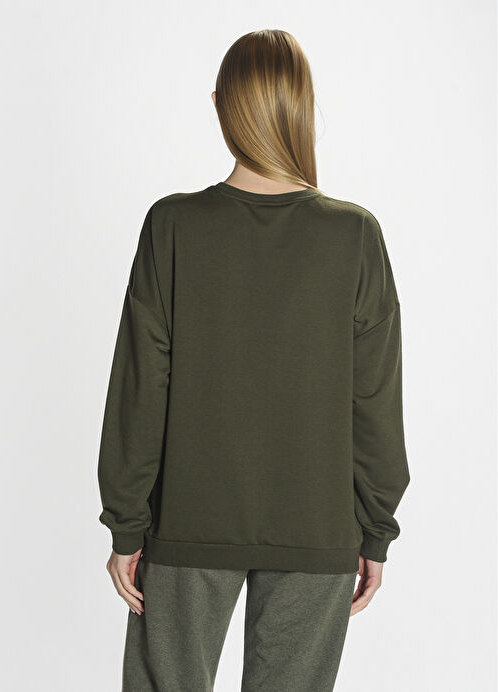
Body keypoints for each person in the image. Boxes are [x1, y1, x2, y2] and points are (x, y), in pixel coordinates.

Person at [97, 28, 410, 692]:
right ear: (304, 106)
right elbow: (375, 402)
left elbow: (140, 387)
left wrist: (127, 524)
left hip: (186, 524)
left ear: (220, 104)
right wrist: (374, 529)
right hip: (317, 528)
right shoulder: (353, 235)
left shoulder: (173, 225)